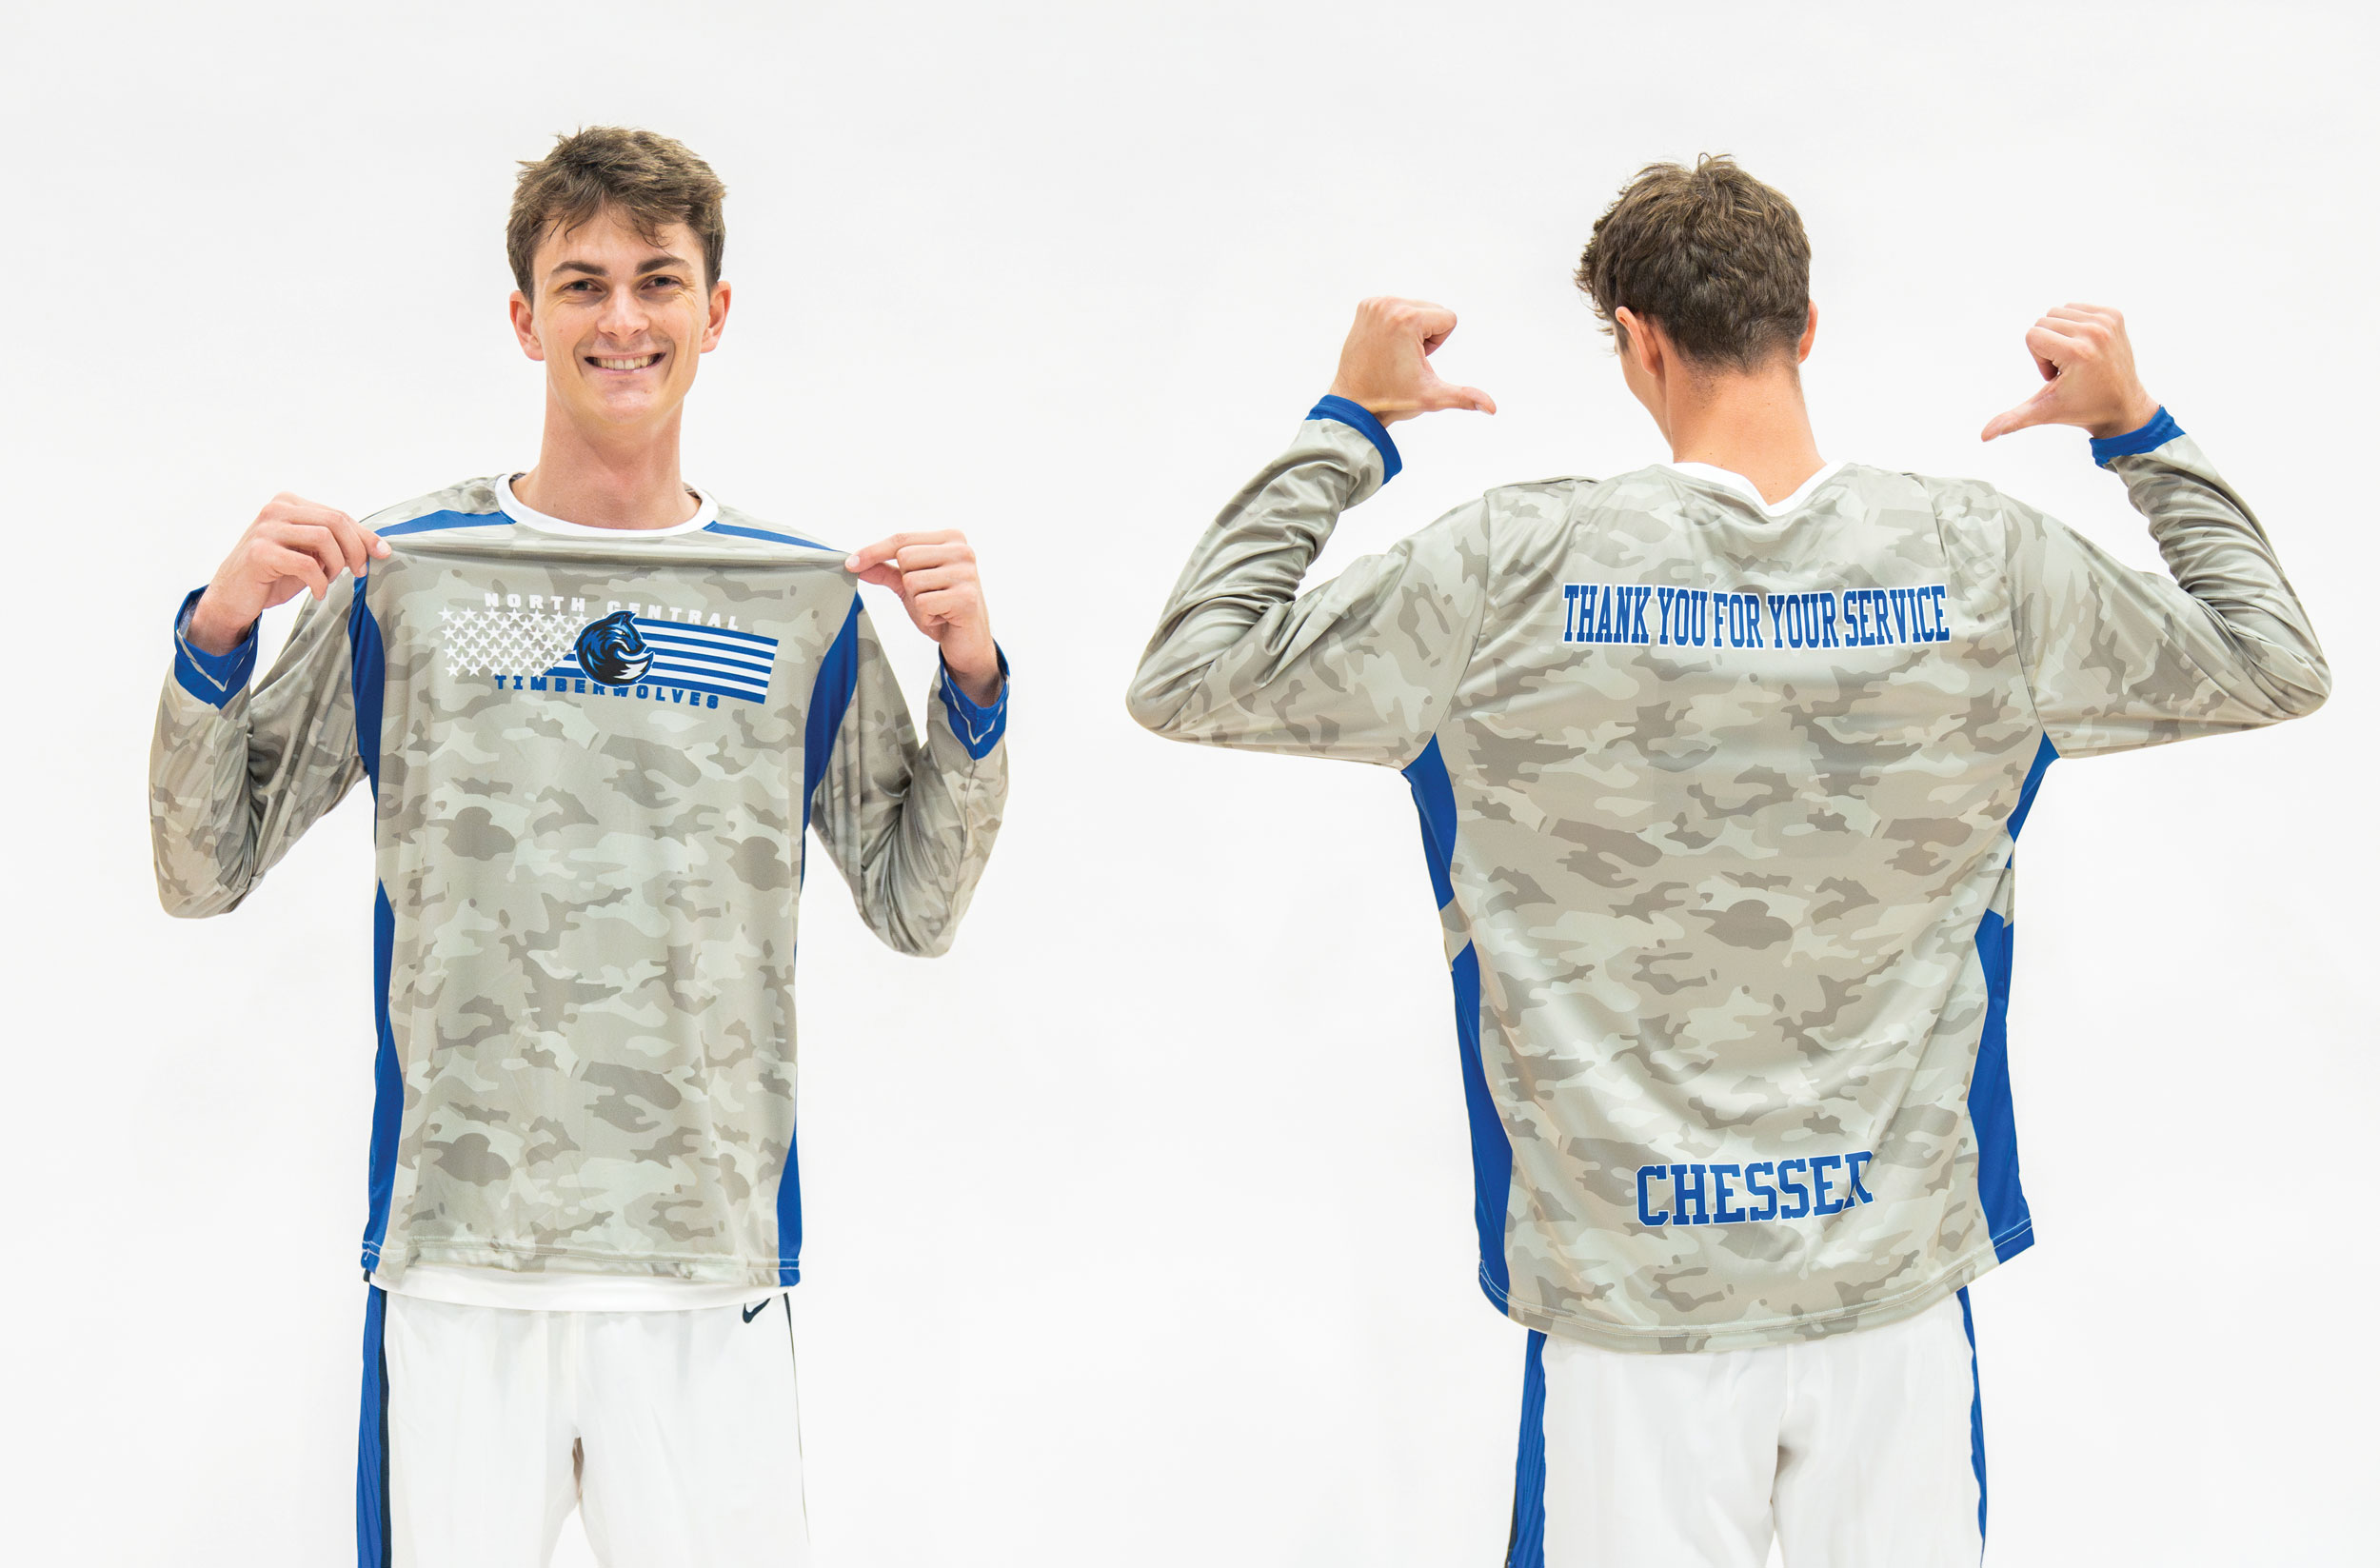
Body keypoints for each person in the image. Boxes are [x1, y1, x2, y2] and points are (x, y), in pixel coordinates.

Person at [1125, 155, 2326, 1567]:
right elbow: (2274, 662)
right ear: (1806, 326)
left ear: (1635, 339)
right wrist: (2138, 431)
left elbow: (1189, 673)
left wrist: (1350, 423)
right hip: (1890, 1307)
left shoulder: (1513, 567)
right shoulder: (1981, 564)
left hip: (1632, 1314)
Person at [149, 127, 1010, 1568]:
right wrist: (219, 633)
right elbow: (202, 866)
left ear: (715, 313)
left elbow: (917, 906)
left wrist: (972, 683)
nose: (623, 320)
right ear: (524, 315)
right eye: (583, 282)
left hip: (704, 1266)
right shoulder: (402, 578)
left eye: (659, 281)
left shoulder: (794, 600)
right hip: (457, 1264)